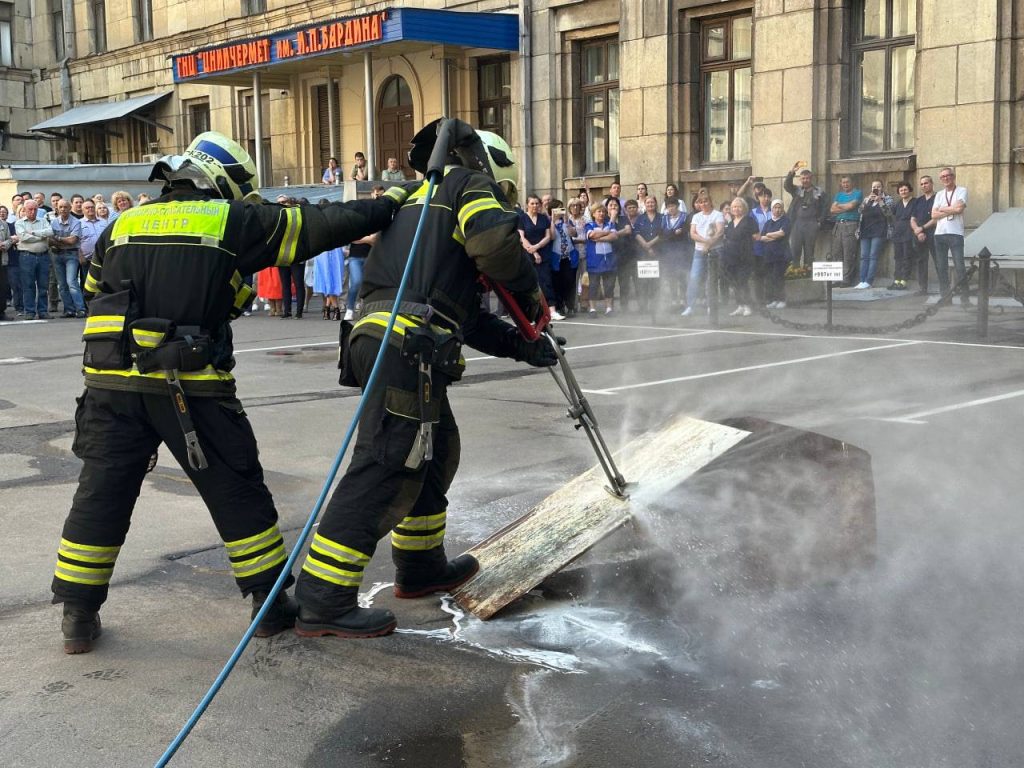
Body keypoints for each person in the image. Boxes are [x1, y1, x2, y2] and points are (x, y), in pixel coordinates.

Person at [50, 130, 409, 653]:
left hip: (109, 385)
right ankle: (269, 606)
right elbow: (329, 224)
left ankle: (78, 617)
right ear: (225, 183)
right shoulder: (230, 219)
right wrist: (395, 199)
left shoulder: (122, 223)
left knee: (100, 494)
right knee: (236, 490)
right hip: (189, 389)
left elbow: (93, 293)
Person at [293, 120, 554, 638]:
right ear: (496, 171)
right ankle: (323, 597)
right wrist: (530, 293)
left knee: (433, 450)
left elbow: (462, 316)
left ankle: (420, 566)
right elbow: (501, 253)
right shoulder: (467, 186)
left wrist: (523, 346)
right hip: (405, 344)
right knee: (386, 463)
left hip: (395, 339)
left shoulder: (414, 195)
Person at [931, 167, 969, 303]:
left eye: (948, 176)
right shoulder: (939, 194)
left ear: (953, 177)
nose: (946, 178)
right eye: (943, 177)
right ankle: (945, 297)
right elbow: (933, 215)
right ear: (941, 180)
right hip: (940, 234)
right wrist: (951, 209)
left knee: (960, 266)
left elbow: (959, 209)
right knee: (941, 267)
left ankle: (965, 298)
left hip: (955, 233)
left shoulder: (962, 190)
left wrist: (941, 208)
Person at [683, 194, 725, 317]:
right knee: (694, 277)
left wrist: (709, 245)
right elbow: (693, 233)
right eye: (701, 202)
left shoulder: (718, 215)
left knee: (711, 280)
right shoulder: (696, 217)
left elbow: (720, 231)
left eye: (706, 201)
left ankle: (711, 306)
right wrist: (705, 242)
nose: (703, 204)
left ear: (710, 202)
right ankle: (690, 306)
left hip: (715, 251)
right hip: (699, 250)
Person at [519, 194, 560, 318]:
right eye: (532, 203)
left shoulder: (543, 218)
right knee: (530, 284)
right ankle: (531, 313)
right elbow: (521, 238)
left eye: (537, 203)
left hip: (543, 254)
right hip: (527, 255)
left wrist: (537, 247)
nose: (535, 206)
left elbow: (548, 236)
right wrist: (533, 251)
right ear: (527, 204)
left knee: (546, 281)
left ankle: (552, 310)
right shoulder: (522, 218)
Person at [15, 200, 53, 320]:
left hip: (43, 256)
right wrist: (41, 237)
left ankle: (42, 311)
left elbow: (50, 232)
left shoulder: (43, 221)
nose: (32, 212)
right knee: (28, 285)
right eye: (30, 209)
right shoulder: (20, 223)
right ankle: (30, 311)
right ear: (25, 210)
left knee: (43, 286)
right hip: (27, 256)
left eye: (35, 209)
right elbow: (23, 237)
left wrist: (33, 232)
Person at [783, 164, 826, 267]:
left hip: (811, 224)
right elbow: (787, 186)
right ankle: (795, 273)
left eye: (807, 178)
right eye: (803, 179)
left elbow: (825, 208)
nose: (805, 180)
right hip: (797, 224)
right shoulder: (797, 190)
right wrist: (792, 172)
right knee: (795, 250)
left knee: (809, 252)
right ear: (800, 180)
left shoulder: (819, 192)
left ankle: (808, 275)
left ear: (811, 179)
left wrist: (819, 222)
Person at [721, 197, 759, 317]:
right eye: (734, 207)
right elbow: (727, 237)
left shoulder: (749, 221)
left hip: (745, 256)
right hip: (731, 257)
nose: (736, 209)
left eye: (739, 206)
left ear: (744, 208)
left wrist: (745, 243)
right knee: (735, 282)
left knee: (743, 281)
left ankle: (748, 305)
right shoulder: (731, 223)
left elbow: (757, 236)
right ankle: (740, 305)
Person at [48, 199, 85, 317]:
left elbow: (73, 240)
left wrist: (57, 239)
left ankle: (81, 309)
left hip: (71, 255)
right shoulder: (53, 222)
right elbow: (49, 240)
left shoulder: (76, 222)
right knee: (62, 284)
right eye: (61, 207)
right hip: (56, 255)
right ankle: (69, 310)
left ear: (70, 208)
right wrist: (64, 241)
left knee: (72, 282)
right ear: (57, 209)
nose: (63, 209)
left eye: (65, 207)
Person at [854, 180, 894, 289]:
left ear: (882, 187)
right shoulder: (867, 199)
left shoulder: (888, 199)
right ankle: (862, 280)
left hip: (879, 231)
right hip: (865, 230)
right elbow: (859, 211)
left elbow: (889, 213)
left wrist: (880, 201)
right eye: (874, 187)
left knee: (873, 256)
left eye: (878, 186)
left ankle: (868, 281)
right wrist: (866, 202)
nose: (876, 188)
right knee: (863, 257)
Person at [829, 176, 862, 287]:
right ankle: (836, 279)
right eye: (843, 182)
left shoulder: (857, 193)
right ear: (841, 184)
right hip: (838, 225)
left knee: (848, 253)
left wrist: (840, 206)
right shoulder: (838, 195)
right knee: (836, 253)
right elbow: (832, 210)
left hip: (851, 224)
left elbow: (851, 206)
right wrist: (845, 207)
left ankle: (846, 279)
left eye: (847, 182)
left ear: (852, 182)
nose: (845, 184)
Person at [585, 203, 617, 315]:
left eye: (603, 211)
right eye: (599, 211)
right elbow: (592, 235)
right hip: (595, 260)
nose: (601, 214)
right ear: (593, 214)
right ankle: (592, 309)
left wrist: (601, 238)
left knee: (609, 285)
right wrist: (607, 232)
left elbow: (614, 236)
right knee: (594, 285)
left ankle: (609, 308)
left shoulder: (609, 223)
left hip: (608, 260)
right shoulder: (589, 225)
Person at [760, 199, 792, 309]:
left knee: (778, 277)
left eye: (779, 207)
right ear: (772, 209)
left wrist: (769, 234)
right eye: (775, 208)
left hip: (781, 255)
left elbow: (782, 233)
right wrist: (772, 236)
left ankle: (781, 299)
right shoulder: (768, 222)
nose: (777, 210)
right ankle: (772, 299)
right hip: (769, 255)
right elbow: (762, 237)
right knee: (769, 278)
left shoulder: (785, 221)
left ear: (782, 209)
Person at [549, 200, 578, 318]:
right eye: (558, 209)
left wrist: (566, 221)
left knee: (570, 281)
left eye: (562, 208)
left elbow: (574, 234)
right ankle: (559, 306)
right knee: (557, 283)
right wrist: (552, 220)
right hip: (556, 257)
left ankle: (570, 306)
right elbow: (552, 236)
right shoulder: (548, 222)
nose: (560, 211)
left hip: (569, 256)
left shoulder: (567, 221)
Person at [910, 175, 937, 294]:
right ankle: (922, 288)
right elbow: (912, 219)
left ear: (931, 183)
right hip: (919, 234)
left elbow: (936, 218)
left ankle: (945, 288)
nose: (923, 186)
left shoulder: (938, 198)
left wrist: (922, 228)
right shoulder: (918, 200)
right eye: (921, 184)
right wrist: (917, 230)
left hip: (933, 233)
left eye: (926, 183)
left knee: (938, 260)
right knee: (921, 261)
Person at [888, 181, 916, 290]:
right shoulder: (898, 203)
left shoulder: (915, 202)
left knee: (906, 257)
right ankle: (896, 280)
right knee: (898, 258)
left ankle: (904, 281)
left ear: (909, 190)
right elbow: (888, 213)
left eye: (905, 189)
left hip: (909, 233)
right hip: (898, 233)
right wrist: (880, 201)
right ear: (899, 193)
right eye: (901, 190)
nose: (903, 192)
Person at [77, 199, 108, 297]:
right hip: (87, 260)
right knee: (87, 284)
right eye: (87, 208)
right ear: (83, 210)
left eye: (92, 207)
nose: (90, 209)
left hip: (103, 260)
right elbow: (76, 242)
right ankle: (87, 306)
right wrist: (80, 256)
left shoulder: (104, 222)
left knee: (102, 283)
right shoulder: (78, 223)